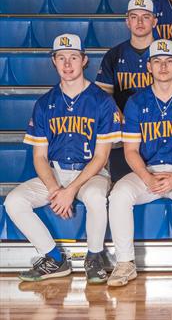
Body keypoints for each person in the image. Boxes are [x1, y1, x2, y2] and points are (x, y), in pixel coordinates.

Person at [7, 34, 120, 283]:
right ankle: (54, 258)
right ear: (54, 62)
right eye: (61, 58)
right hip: (56, 172)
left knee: (95, 197)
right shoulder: (45, 103)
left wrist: (71, 190)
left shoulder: (102, 101)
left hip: (92, 173)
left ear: (84, 60)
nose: (67, 64)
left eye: (73, 57)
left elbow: (101, 157)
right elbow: (39, 157)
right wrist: (55, 188)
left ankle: (94, 257)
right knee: (14, 201)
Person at [108, 39, 172, 287]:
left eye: (169, 61)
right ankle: (124, 263)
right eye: (157, 61)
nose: (163, 66)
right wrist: (147, 177)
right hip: (148, 171)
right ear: (149, 66)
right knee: (119, 195)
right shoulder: (136, 102)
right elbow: (131, 150)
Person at [96, 0, 157, 181]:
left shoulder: (168, 54)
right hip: (124, 132)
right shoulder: (114, 55)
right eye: (134, 17)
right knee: (122, 186)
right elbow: (103, 97)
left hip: (160, 129)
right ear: (127, 21)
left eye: (145, 17)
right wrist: (121, 117)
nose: (139, 22)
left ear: (154, 21)